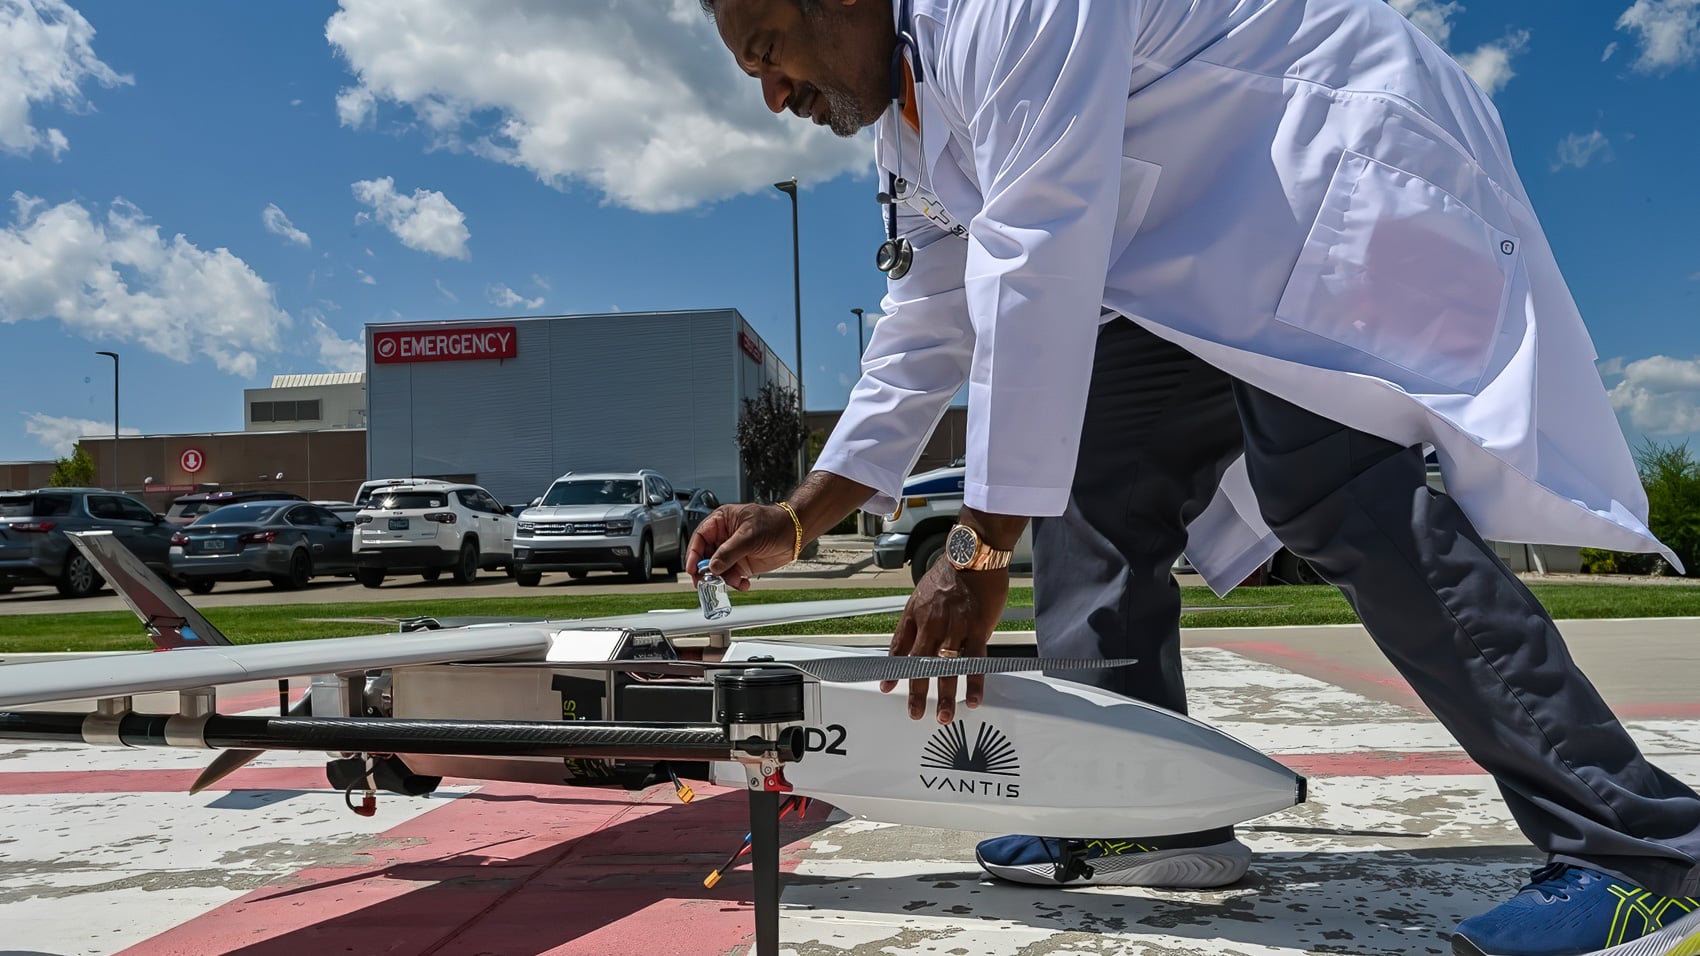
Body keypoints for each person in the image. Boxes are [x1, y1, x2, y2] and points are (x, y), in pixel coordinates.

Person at [686, 0, 1700, 952]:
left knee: (1332, 487)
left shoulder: (992, 12)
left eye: (769, 51)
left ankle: (1642, 849)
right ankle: (1140, 812)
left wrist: (978, 544)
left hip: (1306, 170)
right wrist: (798, 513)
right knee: (1090, 485)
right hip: (1171, 250)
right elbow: (930, 312)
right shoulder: (904, 121)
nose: (772, 95)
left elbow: (1035, 256)